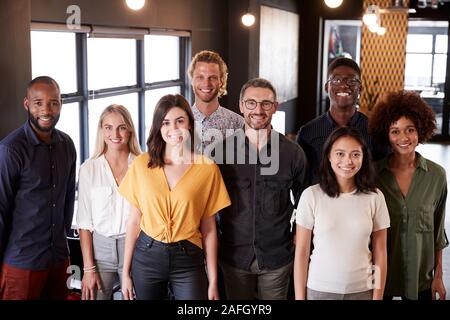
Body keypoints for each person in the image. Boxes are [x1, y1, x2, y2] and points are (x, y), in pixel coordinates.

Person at [118, 94, 230, 300]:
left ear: (189, 124)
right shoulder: (141, 165)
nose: (174, 129)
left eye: (180, 121)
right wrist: (125, 273)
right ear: (158, 128)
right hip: (147, 255)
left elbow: (209, 229)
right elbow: (134, 221)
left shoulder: (207, 169)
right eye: (166, 122)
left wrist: (213, 280)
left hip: (188, 257)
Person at [214, 78, 308, 300]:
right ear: (240, 106)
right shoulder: (220, 152)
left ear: (275, 107)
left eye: (266, 103)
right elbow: (209, 205)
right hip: (234, 256)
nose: (258, 109)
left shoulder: (293, 154)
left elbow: (305, 201)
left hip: (277, 257)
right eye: (251, 103)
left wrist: (297, 237)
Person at [0, 76, 76, 300]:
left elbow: (68, 200)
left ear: (61, 104)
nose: (47, 109)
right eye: (38, 103)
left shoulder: (67, 145)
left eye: (53, 102)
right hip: (22, 263)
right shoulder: (10, 150)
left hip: (59, 258)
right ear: (27, 104)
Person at [294, 127, 390, 300]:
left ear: (363, 158)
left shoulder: (375, 197)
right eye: (340, 153)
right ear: (329, 156)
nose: (348, 161)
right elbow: (301, 252)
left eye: (355, 154)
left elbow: (380, 252)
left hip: (362, 289)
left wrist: (378, 297)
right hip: (319, 289)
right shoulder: (311, 195)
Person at [369, 91, 448, 300]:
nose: (403, 138)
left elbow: (438, 233)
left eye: (410, 130)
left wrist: (438, 276)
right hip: (379, 277)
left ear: (420, 131)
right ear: (386, 134)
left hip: (421, 278)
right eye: (395, 131)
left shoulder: (437, 176)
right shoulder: (373, 176)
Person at [76, 104, 141, 300]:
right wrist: (88, 268)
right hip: (100, 252)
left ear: (129, 129)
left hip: (136, 249)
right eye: (108, 127)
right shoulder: (89, 168)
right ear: (101, 131)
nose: (115, 134)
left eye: (121, 127)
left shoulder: (142, 165)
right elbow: (84, 223)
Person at [296, 57, 387, 185]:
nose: (344, 85)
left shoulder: (374, 131)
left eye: (351, 80)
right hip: (321, 203)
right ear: (327, 87)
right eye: (336, 80)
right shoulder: (308, 133)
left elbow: (384, 175)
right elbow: (302, 181)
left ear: (360, 88)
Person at [187, 50, 244, 153]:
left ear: (221, 81)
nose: (206, 83)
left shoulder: (238, 124)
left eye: (212, 78)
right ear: (192, 80)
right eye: (200, 77)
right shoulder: (179, 122)